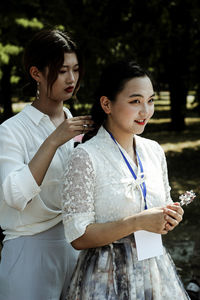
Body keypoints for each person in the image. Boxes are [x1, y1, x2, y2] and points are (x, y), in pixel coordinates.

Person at [62, 61, 190, 299]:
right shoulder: (85, 156)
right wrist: (136, 222)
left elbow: (160, 210)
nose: (146, 111)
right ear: (107, 104)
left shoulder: (154, 151)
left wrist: (170, 218)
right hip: (104, 276)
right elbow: (78, 237)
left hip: (154, 271)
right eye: (135, 101)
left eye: (150, 100)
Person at [0, 28, 93, 300]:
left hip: (76, 246)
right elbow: (15, 196)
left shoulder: (74, 123)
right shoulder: (10, 131)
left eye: (75, 69)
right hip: (30, 250)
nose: (71, 79)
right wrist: (53, 141)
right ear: (36, 73)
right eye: (62, 70)